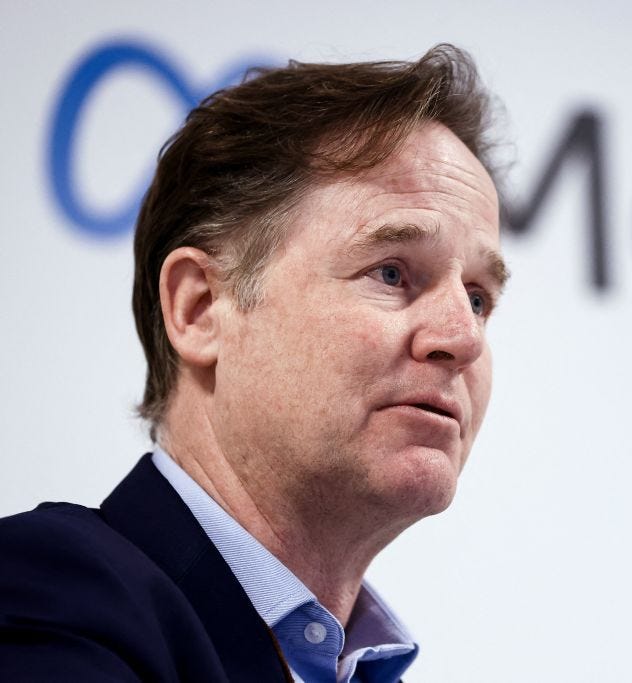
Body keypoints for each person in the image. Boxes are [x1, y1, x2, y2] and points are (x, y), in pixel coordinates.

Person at [0, 44, 508, 683]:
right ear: (201, 308)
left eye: (479, 297)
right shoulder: (46, 597)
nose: (463, 336)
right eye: (391, 272)